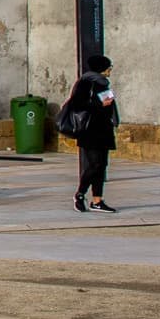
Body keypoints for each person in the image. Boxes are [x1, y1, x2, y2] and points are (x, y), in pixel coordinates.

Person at [64, 54, 120, 213]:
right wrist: (99, 103)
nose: (110, 69)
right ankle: (80, 194)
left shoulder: (104, 83)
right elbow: (77, 104)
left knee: (102, 166)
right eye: (109, 66)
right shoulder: (85, 83)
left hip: (104, 129)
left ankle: (97, 200)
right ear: (102, 68)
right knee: (94, 165)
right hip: (89, 130)